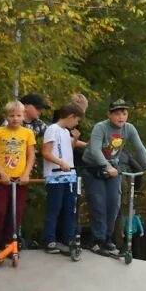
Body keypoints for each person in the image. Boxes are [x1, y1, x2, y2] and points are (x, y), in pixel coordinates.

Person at [87, 100, 146, 255]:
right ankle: (97, 241)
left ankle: (107, 239)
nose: (121, 117)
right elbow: (95, 150)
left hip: (114, 168)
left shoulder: (129, 129)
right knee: (98, 204)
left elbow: (140, 148)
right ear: (109, 115)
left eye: (124, 114)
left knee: (114, 203)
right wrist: (107, 167)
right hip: (94, 168)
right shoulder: (100, 128)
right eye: (117, 114)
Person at [0, 100, 39, 251]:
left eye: (18, 115)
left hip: (20, 180)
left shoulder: (28, 133)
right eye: (12, 115)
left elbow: (31, 156)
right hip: (2, 179)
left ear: (24, 116)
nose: (15, 118)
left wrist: (26, 174)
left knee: (15, 212)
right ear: (6, 116)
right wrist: (2, 173)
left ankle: (9, 242)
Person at [40, 103, 85, 254]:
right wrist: (60, 163)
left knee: (69, 208)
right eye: (77, 120)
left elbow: (66, 150)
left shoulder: (66, 132)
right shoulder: (52, 129)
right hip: (55, 175)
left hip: (69, 175)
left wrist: (74, 140)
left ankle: (68, 238)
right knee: (54, 208)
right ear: (71, 116)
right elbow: (46, 152)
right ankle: (50, 240)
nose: (77, 123)